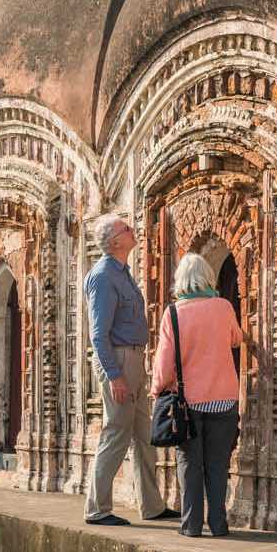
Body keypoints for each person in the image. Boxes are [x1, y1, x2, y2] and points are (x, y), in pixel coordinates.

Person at [83, 214, 178, 526]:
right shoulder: (103, 276)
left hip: (133, 359)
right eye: (126, 228)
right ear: (114, 241)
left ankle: (151, 505)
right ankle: (97, 509)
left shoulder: (121, 273)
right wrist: (114, 375)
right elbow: (98, 334)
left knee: (144, 434)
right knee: (116, 431)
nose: (132, 230)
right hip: (119, 360)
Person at [152, 252, 246, 538]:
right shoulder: (223, 306)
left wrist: (157, 388)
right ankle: (218, 524)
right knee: (217, 464)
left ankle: (191, 525)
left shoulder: (173, 313)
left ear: (181, 280)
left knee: (190, 464)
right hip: (224, 399)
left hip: (188, 403)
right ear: (207, 277)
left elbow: (165, 362)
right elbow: (236, 339)